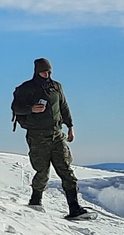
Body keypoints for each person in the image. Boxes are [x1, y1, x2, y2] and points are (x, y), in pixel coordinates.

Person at [11, 57, 87, 220]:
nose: (46, 74)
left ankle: (74, 208)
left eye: (49, 71)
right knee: (42, 171)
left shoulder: (56, 87)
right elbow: (16, 107)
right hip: (37, 135)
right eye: (43, 71)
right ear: (37, 71)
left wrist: (70, 126)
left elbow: (64, 106)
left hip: (57, 134)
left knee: (66, 170)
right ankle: (35, 201)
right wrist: (31, 109)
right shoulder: (26, 89)